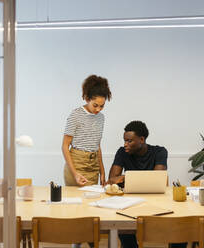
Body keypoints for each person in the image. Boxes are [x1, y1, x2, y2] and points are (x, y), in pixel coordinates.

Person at [107, 120, 169, 248]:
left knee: (176, 224)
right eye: (124, 140)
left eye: (129, 141)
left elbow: (158, 178)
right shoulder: (122, 152)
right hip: (130, 201)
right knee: (122, 224)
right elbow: (112, 179)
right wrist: (141, 178)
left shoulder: (159, 152)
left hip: (156, 200)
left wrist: (124, 178)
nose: (125, 144)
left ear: (141, 139)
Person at [62, 75, 112, 187]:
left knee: (90, 203)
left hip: (93, 166)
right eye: (95, 105)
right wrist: (75, 174)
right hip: (77, 164)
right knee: (76, 202)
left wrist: (102, 172)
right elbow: (65, 146)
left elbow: (97, 145)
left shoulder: (101, 118)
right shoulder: (76, 115)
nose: (98, 109)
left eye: (102, 106)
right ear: (87, 98)